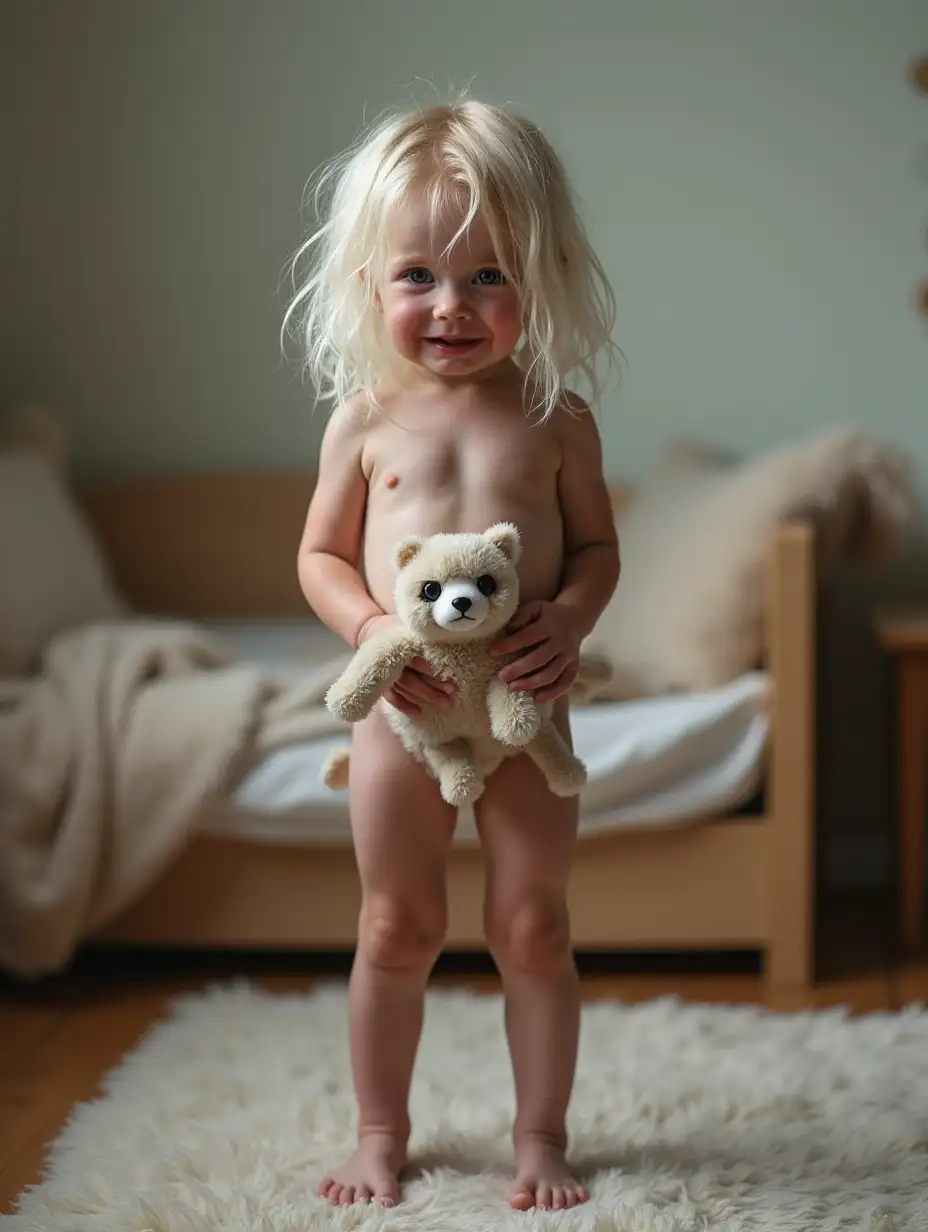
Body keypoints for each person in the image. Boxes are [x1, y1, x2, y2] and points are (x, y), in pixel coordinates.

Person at [284, 97, 621, 1212]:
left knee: (533, 921)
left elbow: (599, 549)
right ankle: (381, 1133)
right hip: (406, 712)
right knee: (396, 922)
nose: (451, 306)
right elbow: (321, 558)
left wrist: (568, 618)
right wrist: (374, 630)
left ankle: (540, 1136)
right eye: (419, 275)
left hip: (526, 700)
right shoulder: (364, 419)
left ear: (543, 271)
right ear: (372, 282)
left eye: (489, 275)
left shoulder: (555, 417)